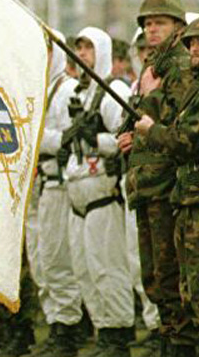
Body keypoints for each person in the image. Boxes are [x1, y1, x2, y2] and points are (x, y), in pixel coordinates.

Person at [138, 15, 199, 356]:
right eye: (191, 42)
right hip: (192, 197)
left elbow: (184, 140)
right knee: (191, 292)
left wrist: (150, 129)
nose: (194, 48)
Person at [117, 0, 197, 355]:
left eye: (159, 23)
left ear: (178, 27)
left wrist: (149, 98)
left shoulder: (181, 67)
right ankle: (169, 339)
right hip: (145, 186)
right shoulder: (153, 67)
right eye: (148, 23)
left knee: (170, 276)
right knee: (152, 277)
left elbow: (179, 125)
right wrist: (130, 137)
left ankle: (180, 345)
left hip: (167, 187)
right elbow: (146, 123)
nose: (151, 29)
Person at [63, 27, 134, 357]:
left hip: (103, 194)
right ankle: (103, 328)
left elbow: (127, 137)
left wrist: (97, 140)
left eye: (88, 48)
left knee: (108, 268)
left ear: (102, 52)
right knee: (84, 270)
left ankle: (118, 333)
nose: (82, 54)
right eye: (78, 48)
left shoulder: (112, 91)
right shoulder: (80, 93)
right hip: (77, 194)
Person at [29, 31, 84, 357]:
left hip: (58, 182)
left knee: (57, 258)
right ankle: (55, 322)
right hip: (39, 183)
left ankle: (67, 329)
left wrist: (36, 138)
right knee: (40, 260)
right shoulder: (39, 89)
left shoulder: (67, 90)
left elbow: (68, 137)